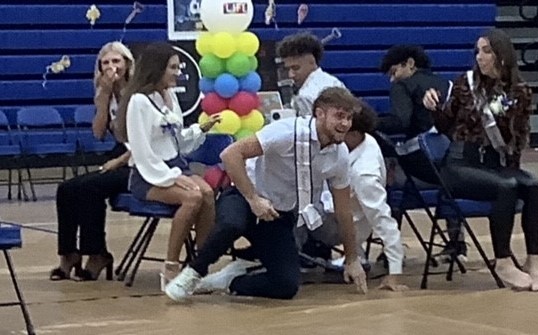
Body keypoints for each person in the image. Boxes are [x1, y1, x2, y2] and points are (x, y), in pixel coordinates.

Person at [164, 87, 368, 301]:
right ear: (319, 114)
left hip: (278, 214)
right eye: (339, 116)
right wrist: (253, 199)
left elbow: (343, 209)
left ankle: (233, 280)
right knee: (232, 223)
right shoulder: (287, 133)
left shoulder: (340, 155)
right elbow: (231, 154)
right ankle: (193, 273)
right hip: (243, 196)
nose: (345, 124)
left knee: (286, 286)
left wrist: (351, 258)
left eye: (348, 118)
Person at [423, 28, 538, 291]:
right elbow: (446, 126)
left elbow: (518, 138)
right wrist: (433, 109)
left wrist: (513, 169)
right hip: (459, 164)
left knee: (534, 186)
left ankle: (533, 262)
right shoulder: (464, 84)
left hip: (494, 163)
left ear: (502, 55)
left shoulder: (520, 91)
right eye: (478, 51)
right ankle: (502, 261)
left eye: (487, 51)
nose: (480, 57)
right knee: (506, 187)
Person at [116, 42, 220, 288]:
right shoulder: (139, 102)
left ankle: (198, 267)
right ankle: (171, 267)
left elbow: (178, 141)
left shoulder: (170, 96)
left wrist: (200, 130)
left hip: (174, 166)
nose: (177, 72)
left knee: (206, 192)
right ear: (157, 68)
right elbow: (142, 153)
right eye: (173, 67)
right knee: (192, 198)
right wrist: (173, 177)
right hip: (149, 175)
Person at [298, 102, 408, 291]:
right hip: (332, 206)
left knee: (290, 208)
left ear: (354, 133)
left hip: (341, 226)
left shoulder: (365, 175)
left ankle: (281, 263)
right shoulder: (365, 139)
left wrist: (395, 273)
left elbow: (384, 221)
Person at [50, 41, 134, 281]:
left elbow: (144, 140)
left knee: (90, 188)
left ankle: (97, 253)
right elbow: (99, 134)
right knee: (66, 189)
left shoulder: (140, 92)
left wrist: (119, 161)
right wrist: (105, 98)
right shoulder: (104, 93)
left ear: (127, 64)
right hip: (120, 149)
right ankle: (69, 254)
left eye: (116, 61)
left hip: (140, 157)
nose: (111, 67)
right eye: (105, 62)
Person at [378, 44, 465, 262]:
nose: (392, 79)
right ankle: (457, 244)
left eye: (393, 72)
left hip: (424, 163)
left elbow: (401, 121)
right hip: (453, 164)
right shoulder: (447, 84)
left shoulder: (403, 86)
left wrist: (370, 121)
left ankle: (392, 248)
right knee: (448, 186)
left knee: (392, 181)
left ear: (409, 64)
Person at [277, 32, 346, 116]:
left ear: (312, 62)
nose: (291, 75)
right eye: (288, 69)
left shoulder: (305, 96)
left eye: (296, 68)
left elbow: (306, 128)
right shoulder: (334, 82)